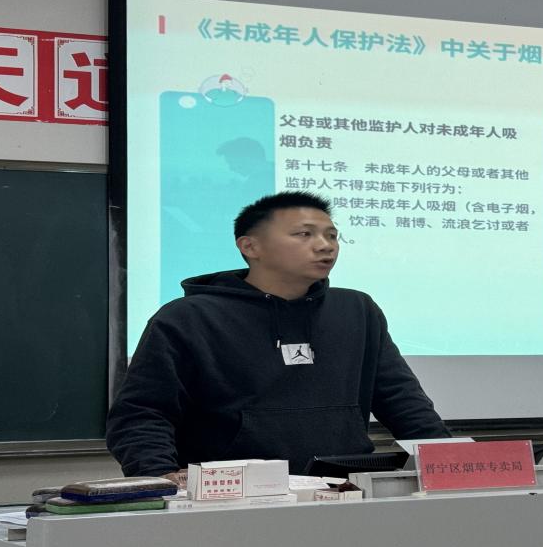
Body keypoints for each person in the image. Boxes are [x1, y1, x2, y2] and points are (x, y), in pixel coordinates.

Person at [107, 191, 451, 482]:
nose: (325, 246)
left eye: (332, 236)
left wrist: (451, 463)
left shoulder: (357, 309)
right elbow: (142, 413)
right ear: (250, 246)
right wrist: (157, 477)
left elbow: (402, 400)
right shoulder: (188, 318)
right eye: (304, 234)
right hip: (229, 495)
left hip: (345, 488)